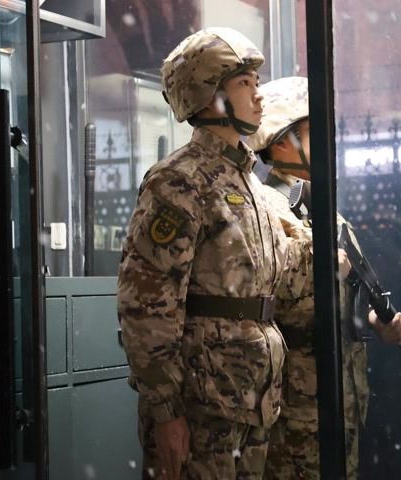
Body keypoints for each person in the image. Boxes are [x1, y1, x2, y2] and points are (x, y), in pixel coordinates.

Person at [117, 29, 312, 480]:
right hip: (204, 404)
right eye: (244, 83)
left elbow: (272, 279)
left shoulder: (250, 186)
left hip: (252, 399)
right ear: (209, 95)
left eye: (255, 82)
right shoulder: (179, 180)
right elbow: (145, 303)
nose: (258, 94)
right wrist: (166, 410)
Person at [247, 76, 401, 479]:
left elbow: (345, 295)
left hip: (340, 395)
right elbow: (262, 294)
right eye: (312, 131)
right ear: (281, 143)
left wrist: (376, 322)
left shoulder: (323, 211)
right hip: (297, 401)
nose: (326, 142)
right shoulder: (265, 209)